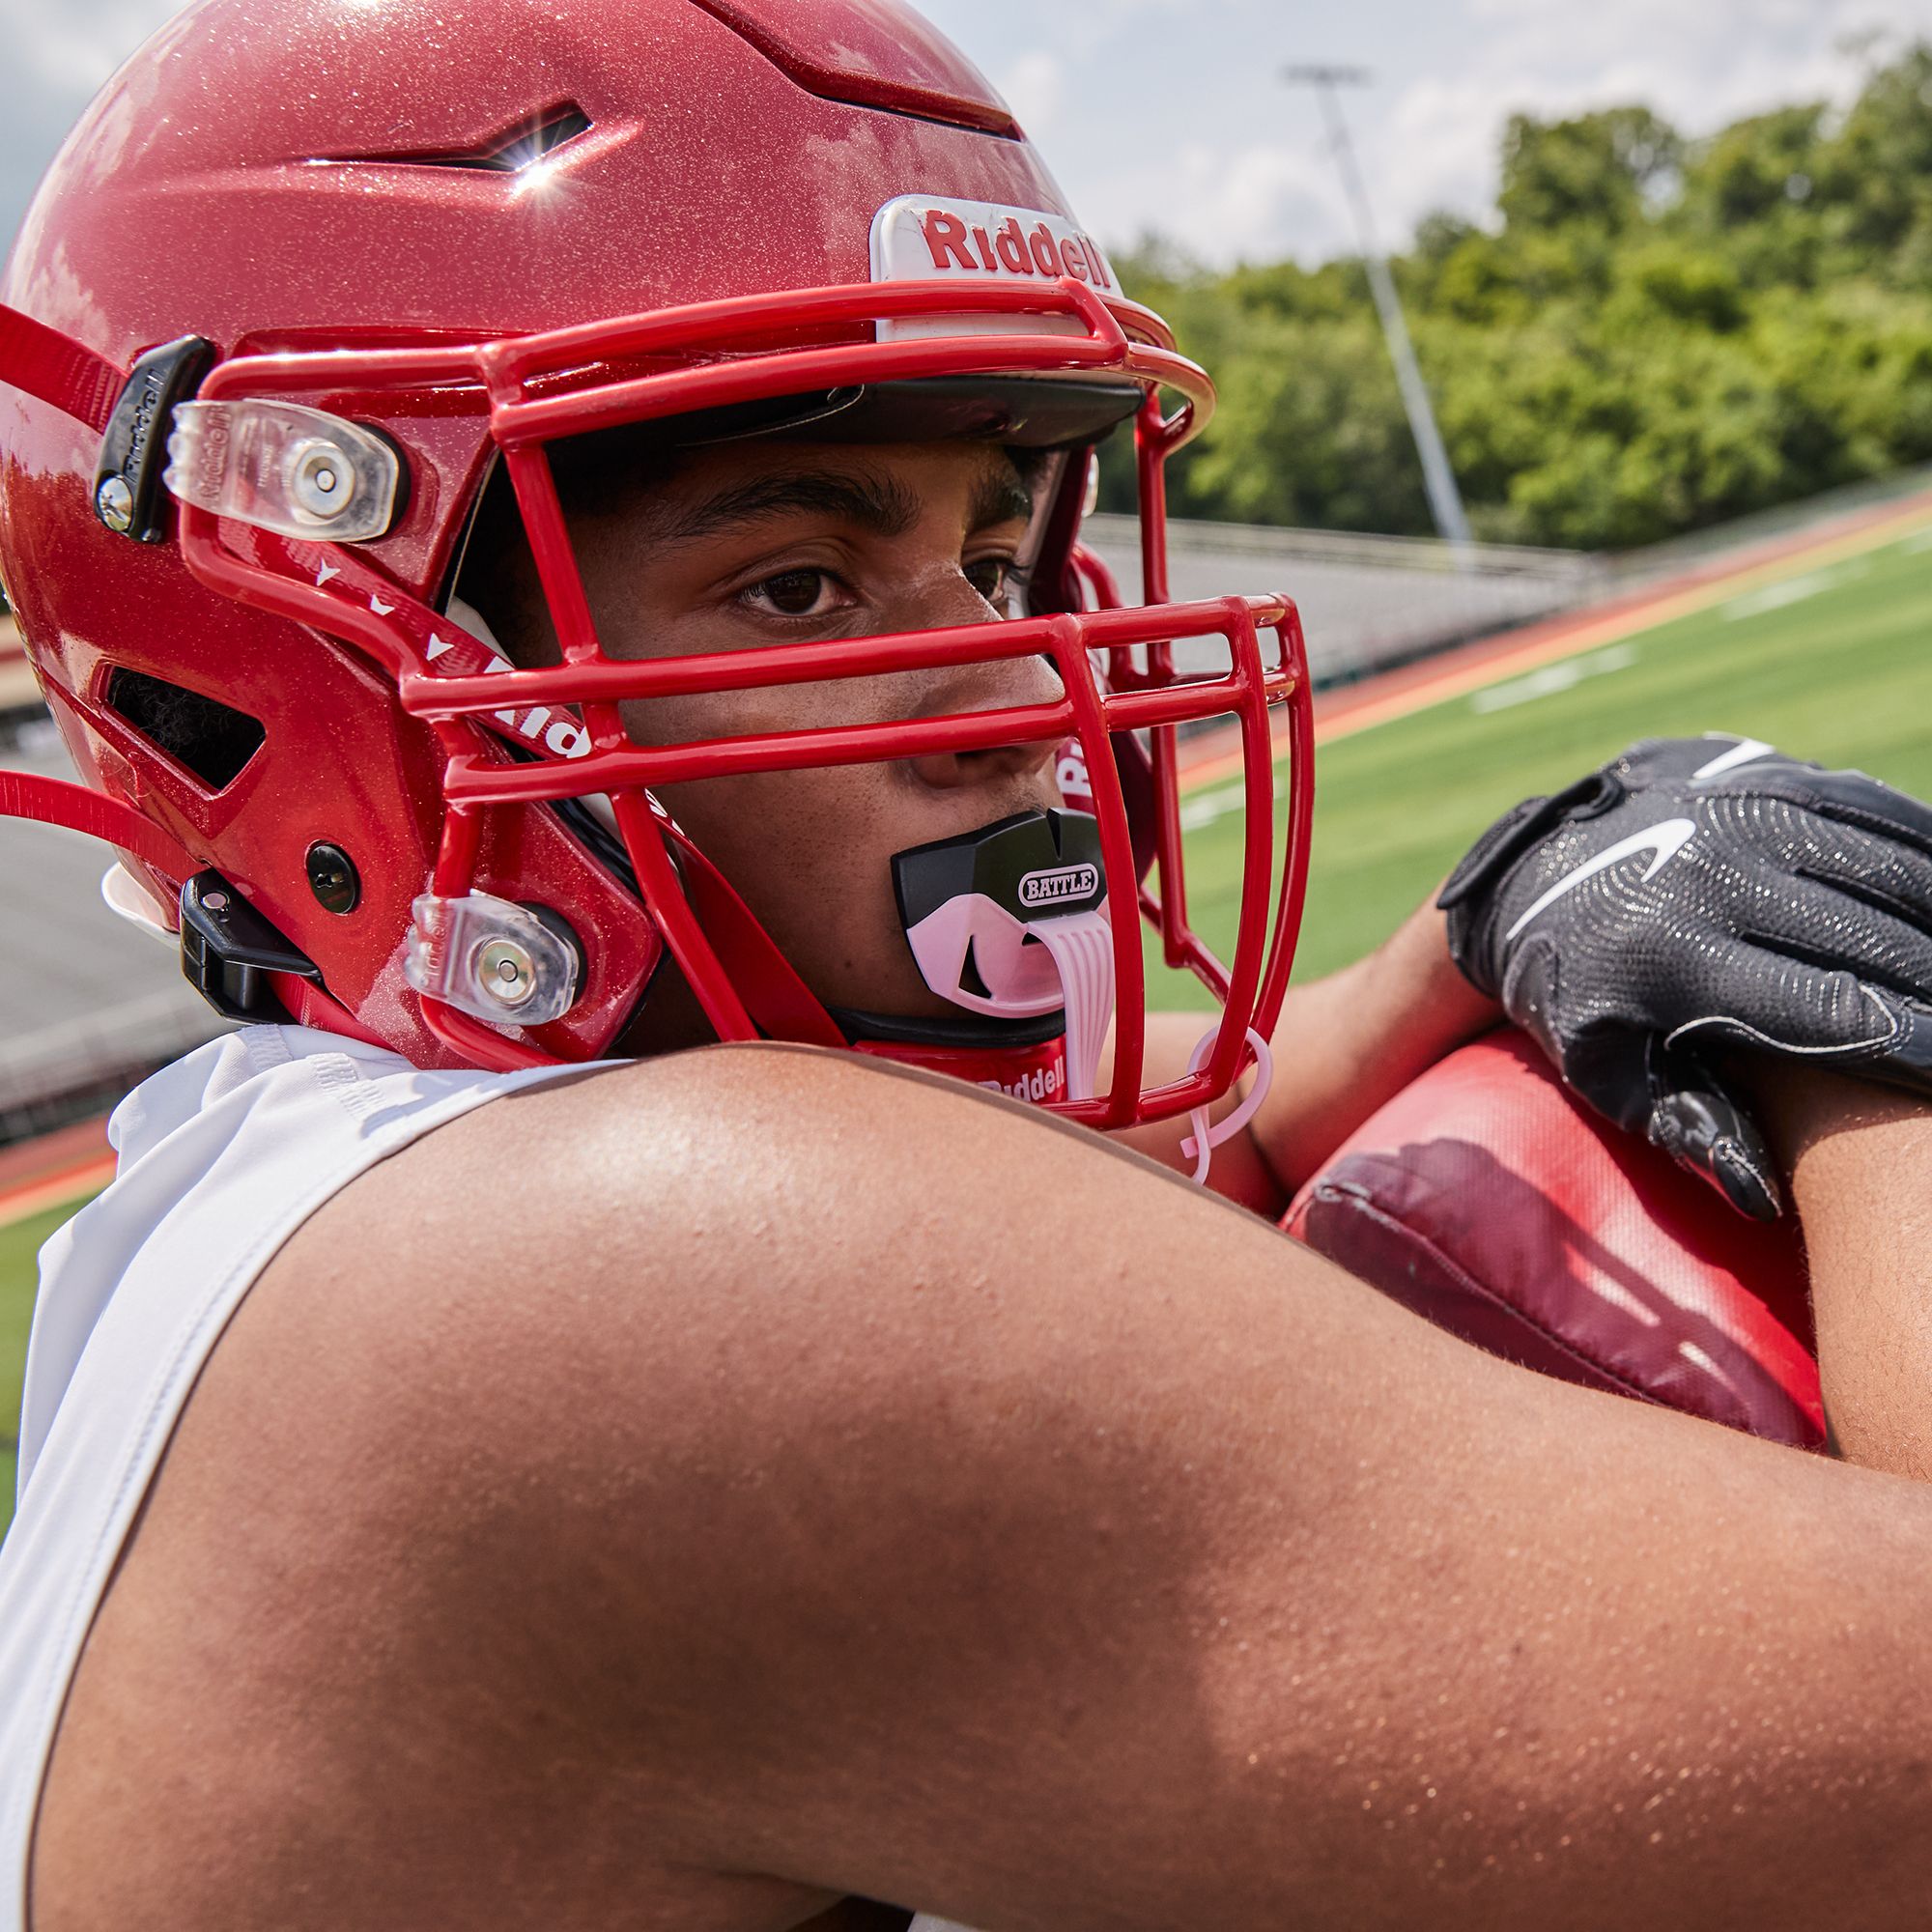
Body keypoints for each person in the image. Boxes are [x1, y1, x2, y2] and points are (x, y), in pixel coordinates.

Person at [8, 3, 1932, 1928]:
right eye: (799, 585)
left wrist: (1482, 933)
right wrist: (1840, 1033)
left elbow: (1148, 1135)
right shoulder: (634, 1273)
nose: (1020, 690)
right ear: (317, 668)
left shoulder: (350, 1177)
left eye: (998, 563)